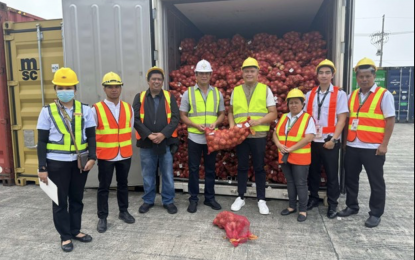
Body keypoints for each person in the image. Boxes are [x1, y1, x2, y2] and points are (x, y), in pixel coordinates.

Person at [37, 67, 96, 252]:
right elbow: (41, 141)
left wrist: (93, 157)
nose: (64, 91)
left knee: (77, 199)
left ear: (75, 89)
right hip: (56, 164)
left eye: (68, 87)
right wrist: (42, 167)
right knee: (60, 201)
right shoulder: (47, 111)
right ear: (55, 89)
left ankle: (75, 230)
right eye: (60, 87)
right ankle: (64, 236)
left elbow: (92, 136)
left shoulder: (85, 109)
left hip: (79, 162)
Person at [338, 58, 395, 228]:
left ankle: (375, 213)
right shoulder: (352, 95)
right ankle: (352, 206)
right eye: (361, 76)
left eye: (367, 76)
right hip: (353, 145)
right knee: (351, 179)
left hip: (373, 147)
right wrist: (345, 141)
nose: (364, 79)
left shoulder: (383, 95)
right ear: (357, 77)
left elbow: (390, 120)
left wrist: (384, 144)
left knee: (375, 181)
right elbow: (348, 120)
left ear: (374, 76)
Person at [229, 57, 278, 215]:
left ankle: (261, 199)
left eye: (252, 71)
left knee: (259, 167)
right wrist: (231, 126)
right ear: (242, 73)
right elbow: (230, 111)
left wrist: (259, 121)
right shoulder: (236, 91)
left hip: (259, 135)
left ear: (258, 73)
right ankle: (240, 196)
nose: (249, 74)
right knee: (242, 166)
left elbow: (273, 113)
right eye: (246, 71)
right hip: (241, 136)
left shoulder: (265, 89)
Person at [180, 60, 226, 213]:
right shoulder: (189, 93)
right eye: (201, 73)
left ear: (211, 75)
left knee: (210, 169)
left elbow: (221, 114)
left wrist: (216, 123)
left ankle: (209, 198)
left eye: (207, 73)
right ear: (196, 75)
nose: (204, 76)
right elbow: (183, 115)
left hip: (211, 138)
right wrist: (194, 125)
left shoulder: (217, 93)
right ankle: (193, 198)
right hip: (194, 137)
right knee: (193, 169)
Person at [305, 60, 349, 219]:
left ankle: (332, 204)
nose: (324, 75)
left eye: (327, 73)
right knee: (313, 172)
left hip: (330, 141)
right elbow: (305, 118)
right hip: (313, 141)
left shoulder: (339, 94)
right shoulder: (310, 94)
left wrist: (334, 140)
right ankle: (314, 198)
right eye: (321, 73)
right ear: (317, 75)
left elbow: (342, 119)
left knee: (331, 174)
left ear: (332, 75)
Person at [92, 72, 135, 233]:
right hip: (106, 155)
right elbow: (91, 133)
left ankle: (123, 211)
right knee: (104, 187)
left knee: (123, 184)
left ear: (121, 88)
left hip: (124, 154)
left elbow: (129, 128)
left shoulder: (128, 107)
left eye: (117, 86)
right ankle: (102, 217)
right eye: (110, 87)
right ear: (104, 89)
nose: (114, 90)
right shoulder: (96, 109)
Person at [133, 67, 180, 215]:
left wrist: (163, 135)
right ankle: (148, 200)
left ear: (162, 81)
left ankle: (168, 201)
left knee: (167, 173)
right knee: (148, 173)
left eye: (159, 79)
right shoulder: (139, 97)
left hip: (165, 142)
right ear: (148, 81)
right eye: (153, 79)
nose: (156, 81)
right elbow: (135, 119)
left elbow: (175, 118)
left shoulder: (169, 96)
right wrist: (149, 135)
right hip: (147, 143)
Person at [273, 88, 316, 222]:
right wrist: (279, 145)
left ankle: (302, 210)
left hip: (300, 157)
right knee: (290, 182)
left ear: (302, 104)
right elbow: (275, 133)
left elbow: (309, 137)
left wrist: (291, 148)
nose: (294, 105)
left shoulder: (307, 118)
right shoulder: (284, 117)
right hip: (285, 156)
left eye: (297, 102)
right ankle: (292, 206)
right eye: (291, 103)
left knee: (301, 183)